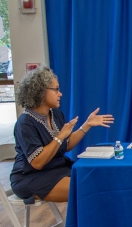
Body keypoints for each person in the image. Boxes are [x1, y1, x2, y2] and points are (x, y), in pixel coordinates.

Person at [10, 66, 114, 203]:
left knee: (99, 180)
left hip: (56, 169)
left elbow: (66, 145)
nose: (60, 94)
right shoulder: (25, 123)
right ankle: (81, 225)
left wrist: (86, 125)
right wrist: (60, 136)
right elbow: (37, 163)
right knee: (88, 189)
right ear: (40, 91)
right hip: (31, 176)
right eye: (56, 89)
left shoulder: (55, 114)